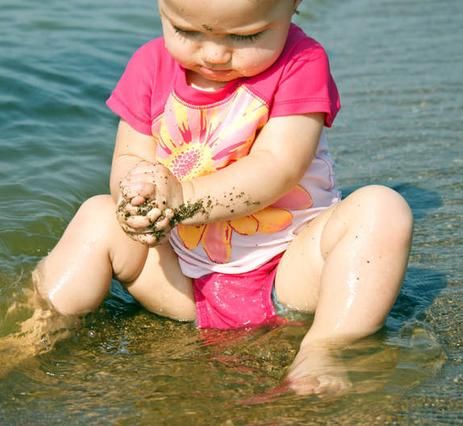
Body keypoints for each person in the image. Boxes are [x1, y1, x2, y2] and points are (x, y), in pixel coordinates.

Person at [32, 0, 413, 395]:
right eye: (187, 31)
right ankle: (38, 327)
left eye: (245, 36)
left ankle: (327, 345)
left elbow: (278, 165)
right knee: (98, 215)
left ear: (294, 5)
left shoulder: (302, 62)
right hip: (180, 278)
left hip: (288, 273)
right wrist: (137, 198)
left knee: (381, 208)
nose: (213, 53)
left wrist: (184, 199)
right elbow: (130, 158)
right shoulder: (149, 65)